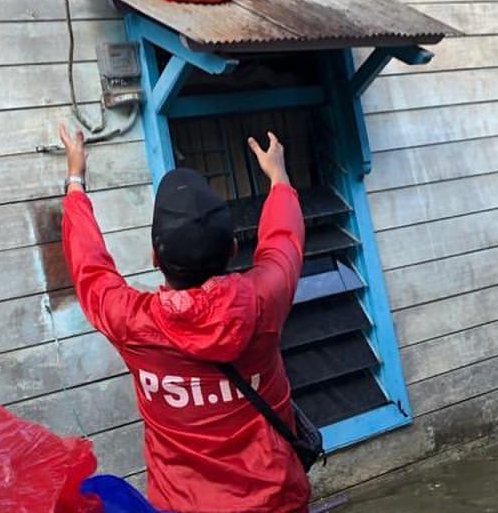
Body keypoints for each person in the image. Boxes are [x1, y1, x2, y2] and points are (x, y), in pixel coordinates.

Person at [58, 124, 310, 513]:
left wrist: (76, 179)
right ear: (232, 249)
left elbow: (88, 266)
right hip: (277, 502)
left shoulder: (131, 322)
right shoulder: (266, 297)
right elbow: (283, 241)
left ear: (156, 259)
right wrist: (278, 176)